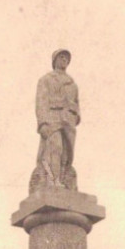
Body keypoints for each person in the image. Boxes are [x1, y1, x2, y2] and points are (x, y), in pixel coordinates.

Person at [32, 49, 80, 190]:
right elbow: (40, 102)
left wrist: (75, 116)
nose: (64, 60)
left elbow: (77, 103)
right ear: (55, 60)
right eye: (61, 57)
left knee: (66, 154)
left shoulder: (73, 84)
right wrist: (42, 123)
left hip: (68, 122)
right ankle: (53, 180)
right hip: (52, 118)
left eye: (66, 58)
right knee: (55, 147)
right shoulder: (46, 79)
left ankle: (64, 179)